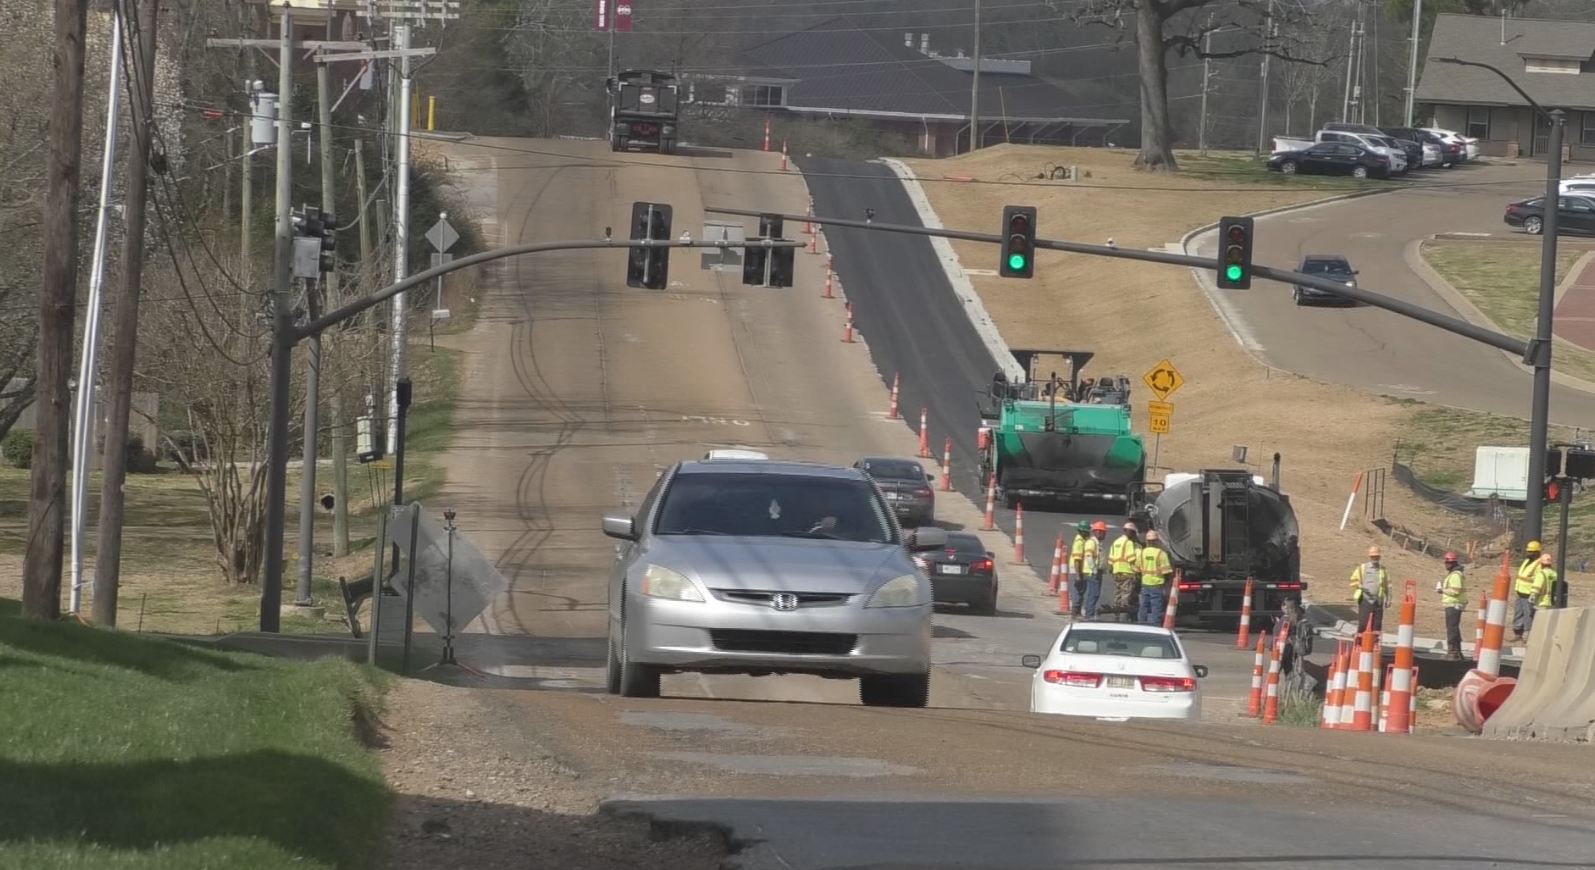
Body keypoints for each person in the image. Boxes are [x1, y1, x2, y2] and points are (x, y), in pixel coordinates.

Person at [1349, 546, 1390, 635]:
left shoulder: (1383, 570)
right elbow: (1353, 580)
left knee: (1377, 624)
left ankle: (1374, 642)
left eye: (1377, 556)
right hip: (1365, 599)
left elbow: (1387, 585)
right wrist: (1360, 586)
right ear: (1370, 557)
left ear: (1379, 557)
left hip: (1378, 600)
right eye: (1373, 556)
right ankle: (1360, 641)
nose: (1375, 558)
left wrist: (1388, 599)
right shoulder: (1362, 568)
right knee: (1364, 622)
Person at [1069, 521, 1106, 620]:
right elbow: (1079, 558)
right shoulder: (1080, 542)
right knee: (1081, 591)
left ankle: (1079, 611)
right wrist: (1079, 574)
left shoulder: (1085, 540)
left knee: (1084, 592)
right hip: (1079, 570)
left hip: (1082, 570)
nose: (1089, 533)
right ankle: (1078, 612)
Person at [1136, 530, 1174, 625]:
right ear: (1156, 541)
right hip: (1157, 584)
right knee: (1156, 606)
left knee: (1143, 605)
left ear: (1147, 541)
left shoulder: (1142, 553)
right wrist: (1166, 583)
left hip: (1145, 583)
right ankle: (1155, 625)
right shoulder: (1161, 554)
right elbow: (1167, 571)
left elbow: (1137, 569)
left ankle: (1141, 623)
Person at [1108, 521, 1142, 623]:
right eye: (1132, 532)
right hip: (1127, 572)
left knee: (1118, 595)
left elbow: (1110, 559)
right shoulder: (1129, 543)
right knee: (1126, 597)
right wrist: (1137, 571)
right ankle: (1124, 620)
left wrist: (1112, 570)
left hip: (1117, 572)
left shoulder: (1116, 542)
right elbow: (1131, 559)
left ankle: (1116, 617)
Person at [1513, 541, 1545, 643]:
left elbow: (1539, 579)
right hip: (1520, 591)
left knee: (1528, 614)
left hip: (1529, 593)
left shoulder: (1540, 564)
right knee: (1519, 613)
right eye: (1529, 551)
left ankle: (1527, 634)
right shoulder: (1527, 561)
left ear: (1537, 552)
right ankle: (1518, 633)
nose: (1529, 553)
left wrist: (1534, 593)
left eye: (1531, 551)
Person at [1437, 551, 1466, 661]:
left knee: (1452, 628)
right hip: (1454, 604)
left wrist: (1442, 590)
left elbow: (1456, 590)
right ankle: (1457, 652)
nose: (1446, 565)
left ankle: (1453, 652)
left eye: (1448, 563)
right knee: (1454, 628)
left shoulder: (1455, 575)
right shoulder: (1455, 574)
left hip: (1454, 604)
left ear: (1453, 563)